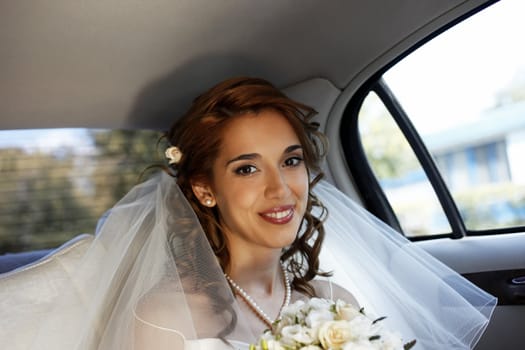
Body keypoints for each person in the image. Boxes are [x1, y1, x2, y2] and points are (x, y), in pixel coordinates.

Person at [0, 77, 496, 349]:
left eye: (291, 161)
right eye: (246, 169)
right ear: (204, 189)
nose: (280, 189)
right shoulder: (166, 319)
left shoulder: (336, 299)